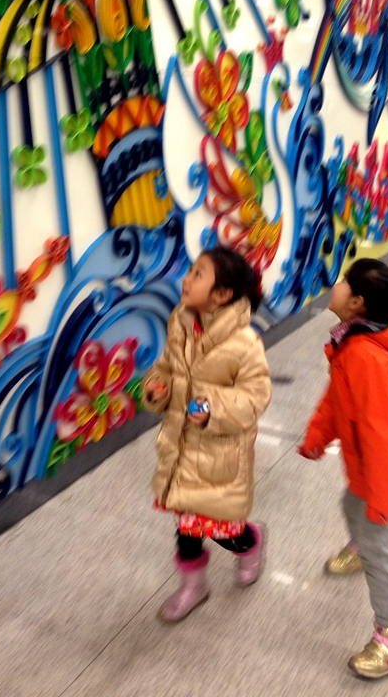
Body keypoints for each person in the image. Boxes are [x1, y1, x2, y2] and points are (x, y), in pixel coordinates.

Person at [298, 258, 388, 679]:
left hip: (387, 471)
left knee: (377, 548)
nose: (333, 285)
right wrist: (318, 435)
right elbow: (337, 398)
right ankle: (359, 546)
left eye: (342, 281)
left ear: (356, 303)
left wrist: (383, 499)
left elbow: (385, 435)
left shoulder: (367, 356)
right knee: (350, 505)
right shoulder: (352, 341)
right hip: (366, 465)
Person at [142, 246, 272, 623]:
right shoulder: (180, 322)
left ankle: (251, 541)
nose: (186, 279)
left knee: (223, 531)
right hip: (180, 448)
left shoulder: (244, 343)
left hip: (218, 454)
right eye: (191, 271)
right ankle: (194, 586)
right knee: (186, 525)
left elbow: (256, 395)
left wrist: (212, 408)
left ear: (222, 295)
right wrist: (157, 387)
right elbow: (165, 367)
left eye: (198, 274)